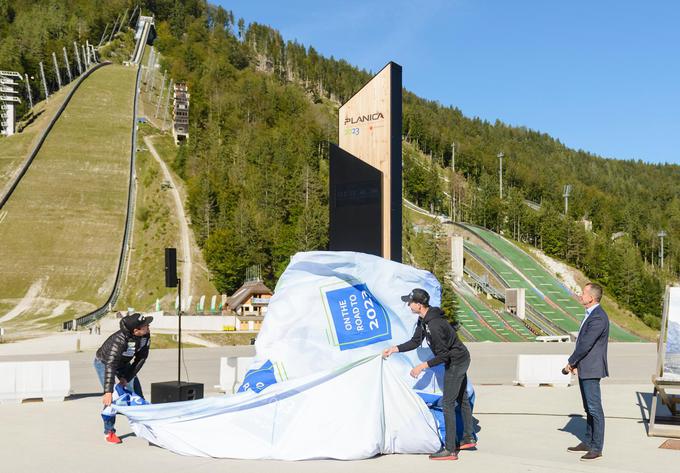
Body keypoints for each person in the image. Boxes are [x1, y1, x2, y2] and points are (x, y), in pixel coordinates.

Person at [383, 288, 475, 461]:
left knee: (448, 403)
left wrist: (421, 366)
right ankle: (468, 437)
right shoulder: (424, 320)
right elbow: (415, 341)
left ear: (419, 305)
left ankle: (450, 449)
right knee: (462, 398)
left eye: (410, 302)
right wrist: (394, 349)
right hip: (459, 358)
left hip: (456, 361)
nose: (408, 305)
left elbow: (444, 355)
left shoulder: (434, 324)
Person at [563, 282, 609, 462]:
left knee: (594, 408)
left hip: (592, 368)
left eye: (583, 293)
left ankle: (597, 447)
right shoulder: (591, 314)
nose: (580, 295)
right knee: (588, 407)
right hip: (585, 366)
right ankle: (589, 441)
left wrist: (571, 362)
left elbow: (585, 344)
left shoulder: (598, 317)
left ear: (592, 297)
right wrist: (576, 364)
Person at [94, 312, 152, 444]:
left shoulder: (145, 335)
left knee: (137, 394)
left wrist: (127, 377)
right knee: (112, 398)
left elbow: (141, 359)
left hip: (124, 364)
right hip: (104, 363)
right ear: (136, 330)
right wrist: (108, 391)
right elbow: (110, 365)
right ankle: (109, 432)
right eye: (145, 326)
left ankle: (145, 426)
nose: (148, 327)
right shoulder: (119, 340)